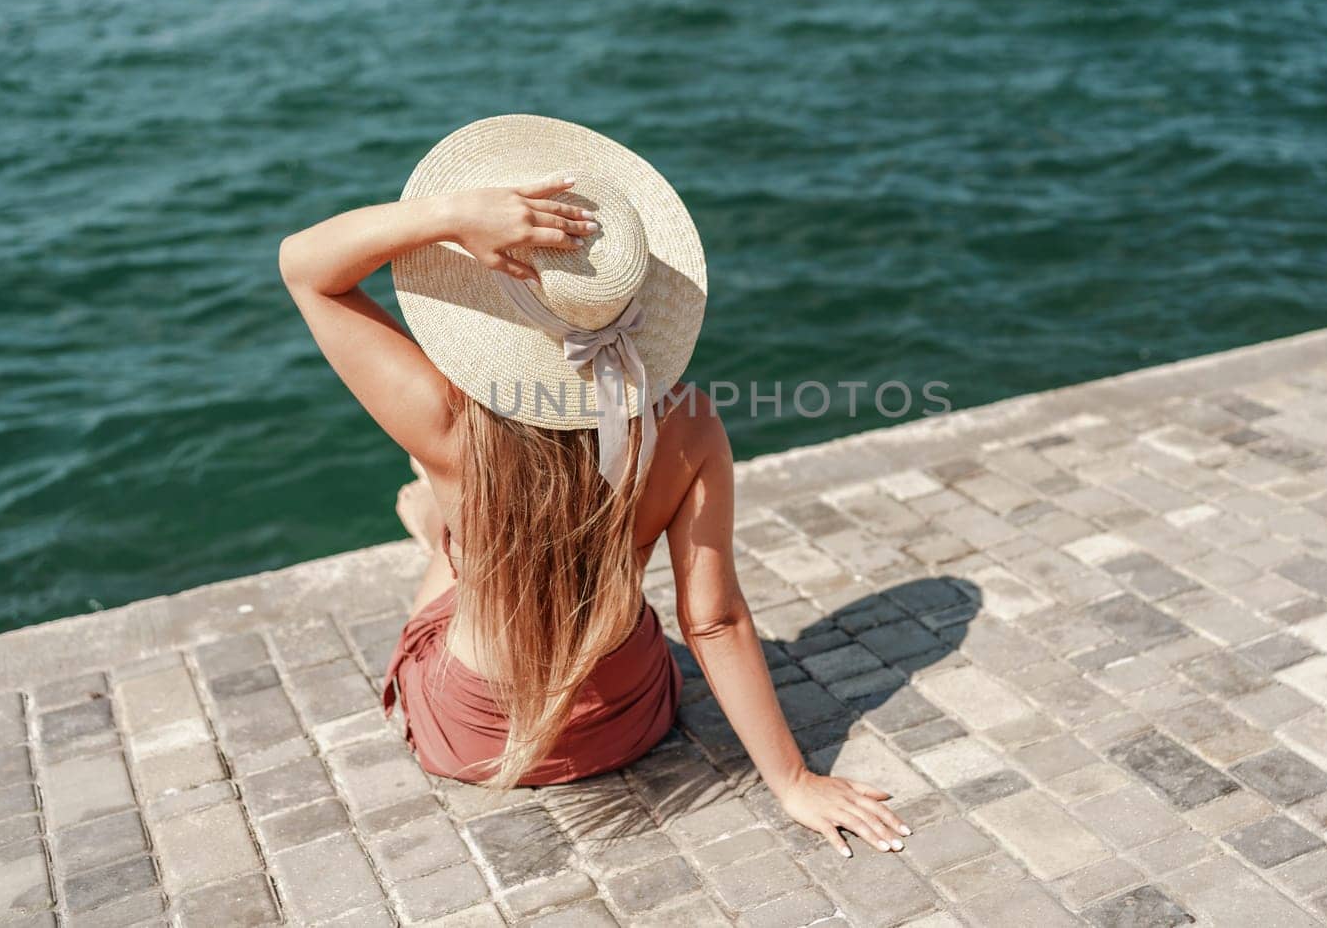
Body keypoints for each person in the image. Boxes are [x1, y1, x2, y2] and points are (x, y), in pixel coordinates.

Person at [279, 114, 911, 857]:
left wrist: (451, 215)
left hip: (472, 732)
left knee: (456, 522)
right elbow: (713, 623)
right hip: (626, 717)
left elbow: (304, 265)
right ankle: (447, 529)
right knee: (479, 517)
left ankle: (443, 533)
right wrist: (794, 780)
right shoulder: (687, 424)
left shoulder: (448, 421)